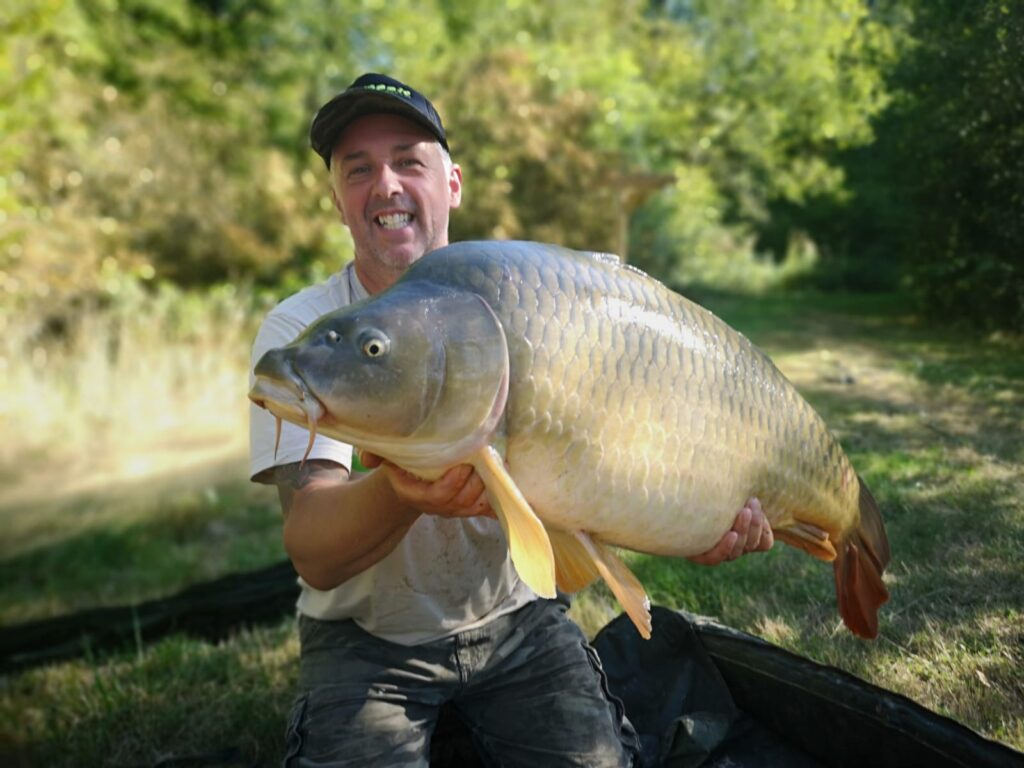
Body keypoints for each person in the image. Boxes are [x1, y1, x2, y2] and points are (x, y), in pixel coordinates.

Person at [249, 73, 774, 768]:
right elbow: (314, 550)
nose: (386, 185)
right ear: (338, 198)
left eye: (409, 161)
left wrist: (701, 522)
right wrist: (401, 491)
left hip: (516, 621)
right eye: (358, 169)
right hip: (366, 638)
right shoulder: (306, 333)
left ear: (453, 184)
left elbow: (606, 489)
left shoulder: (534, 304)